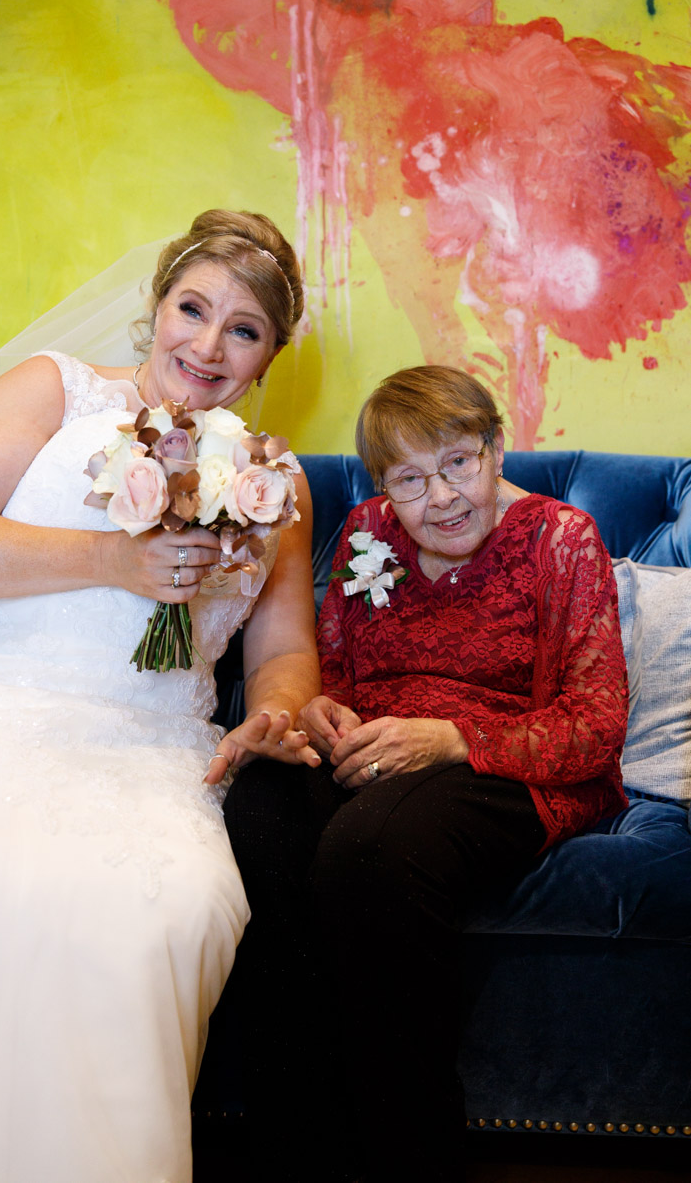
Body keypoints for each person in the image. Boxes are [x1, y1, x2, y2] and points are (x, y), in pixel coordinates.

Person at [0, 209, 322, 1183]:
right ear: (156, 305)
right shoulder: (54, 390)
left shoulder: (273, 480)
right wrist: (112, 559)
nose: (207, 345)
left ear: (270, 354)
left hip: (156, 747)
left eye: (241, 328)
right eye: (192, 308)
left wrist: (275, 710)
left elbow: (282, 647)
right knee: (16, 882)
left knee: (178, 903)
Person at [224, 365, 629, 1183]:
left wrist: (449, 739)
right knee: (259, 815)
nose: (439, 497)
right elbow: (336, 670)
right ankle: (297, 1151)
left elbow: (594, 727)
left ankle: (413, 1157)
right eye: (408, 479)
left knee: (372, 848)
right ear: (383, 487)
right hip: (377, 750)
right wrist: (324, 711)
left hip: (504, 762)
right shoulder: (366, 529)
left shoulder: (561, 538)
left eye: (457, 464)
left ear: (495, 449)